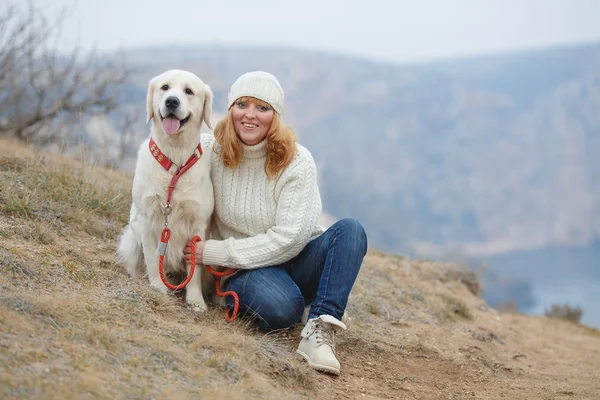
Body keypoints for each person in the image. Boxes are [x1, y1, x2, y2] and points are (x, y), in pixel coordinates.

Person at [185, 71, 367, 376]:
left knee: (350, 230)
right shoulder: (210, 151)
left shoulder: (297, 161)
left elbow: (289, 239)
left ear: (276, 115)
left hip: (298, 259)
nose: (250, 116)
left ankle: (319, 329)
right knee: (284, 309)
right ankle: (315, 301)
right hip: (246, 270)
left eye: (263, 108)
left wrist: (213, 252)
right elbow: (167, 159)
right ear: (230, 109)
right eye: (242, 104)